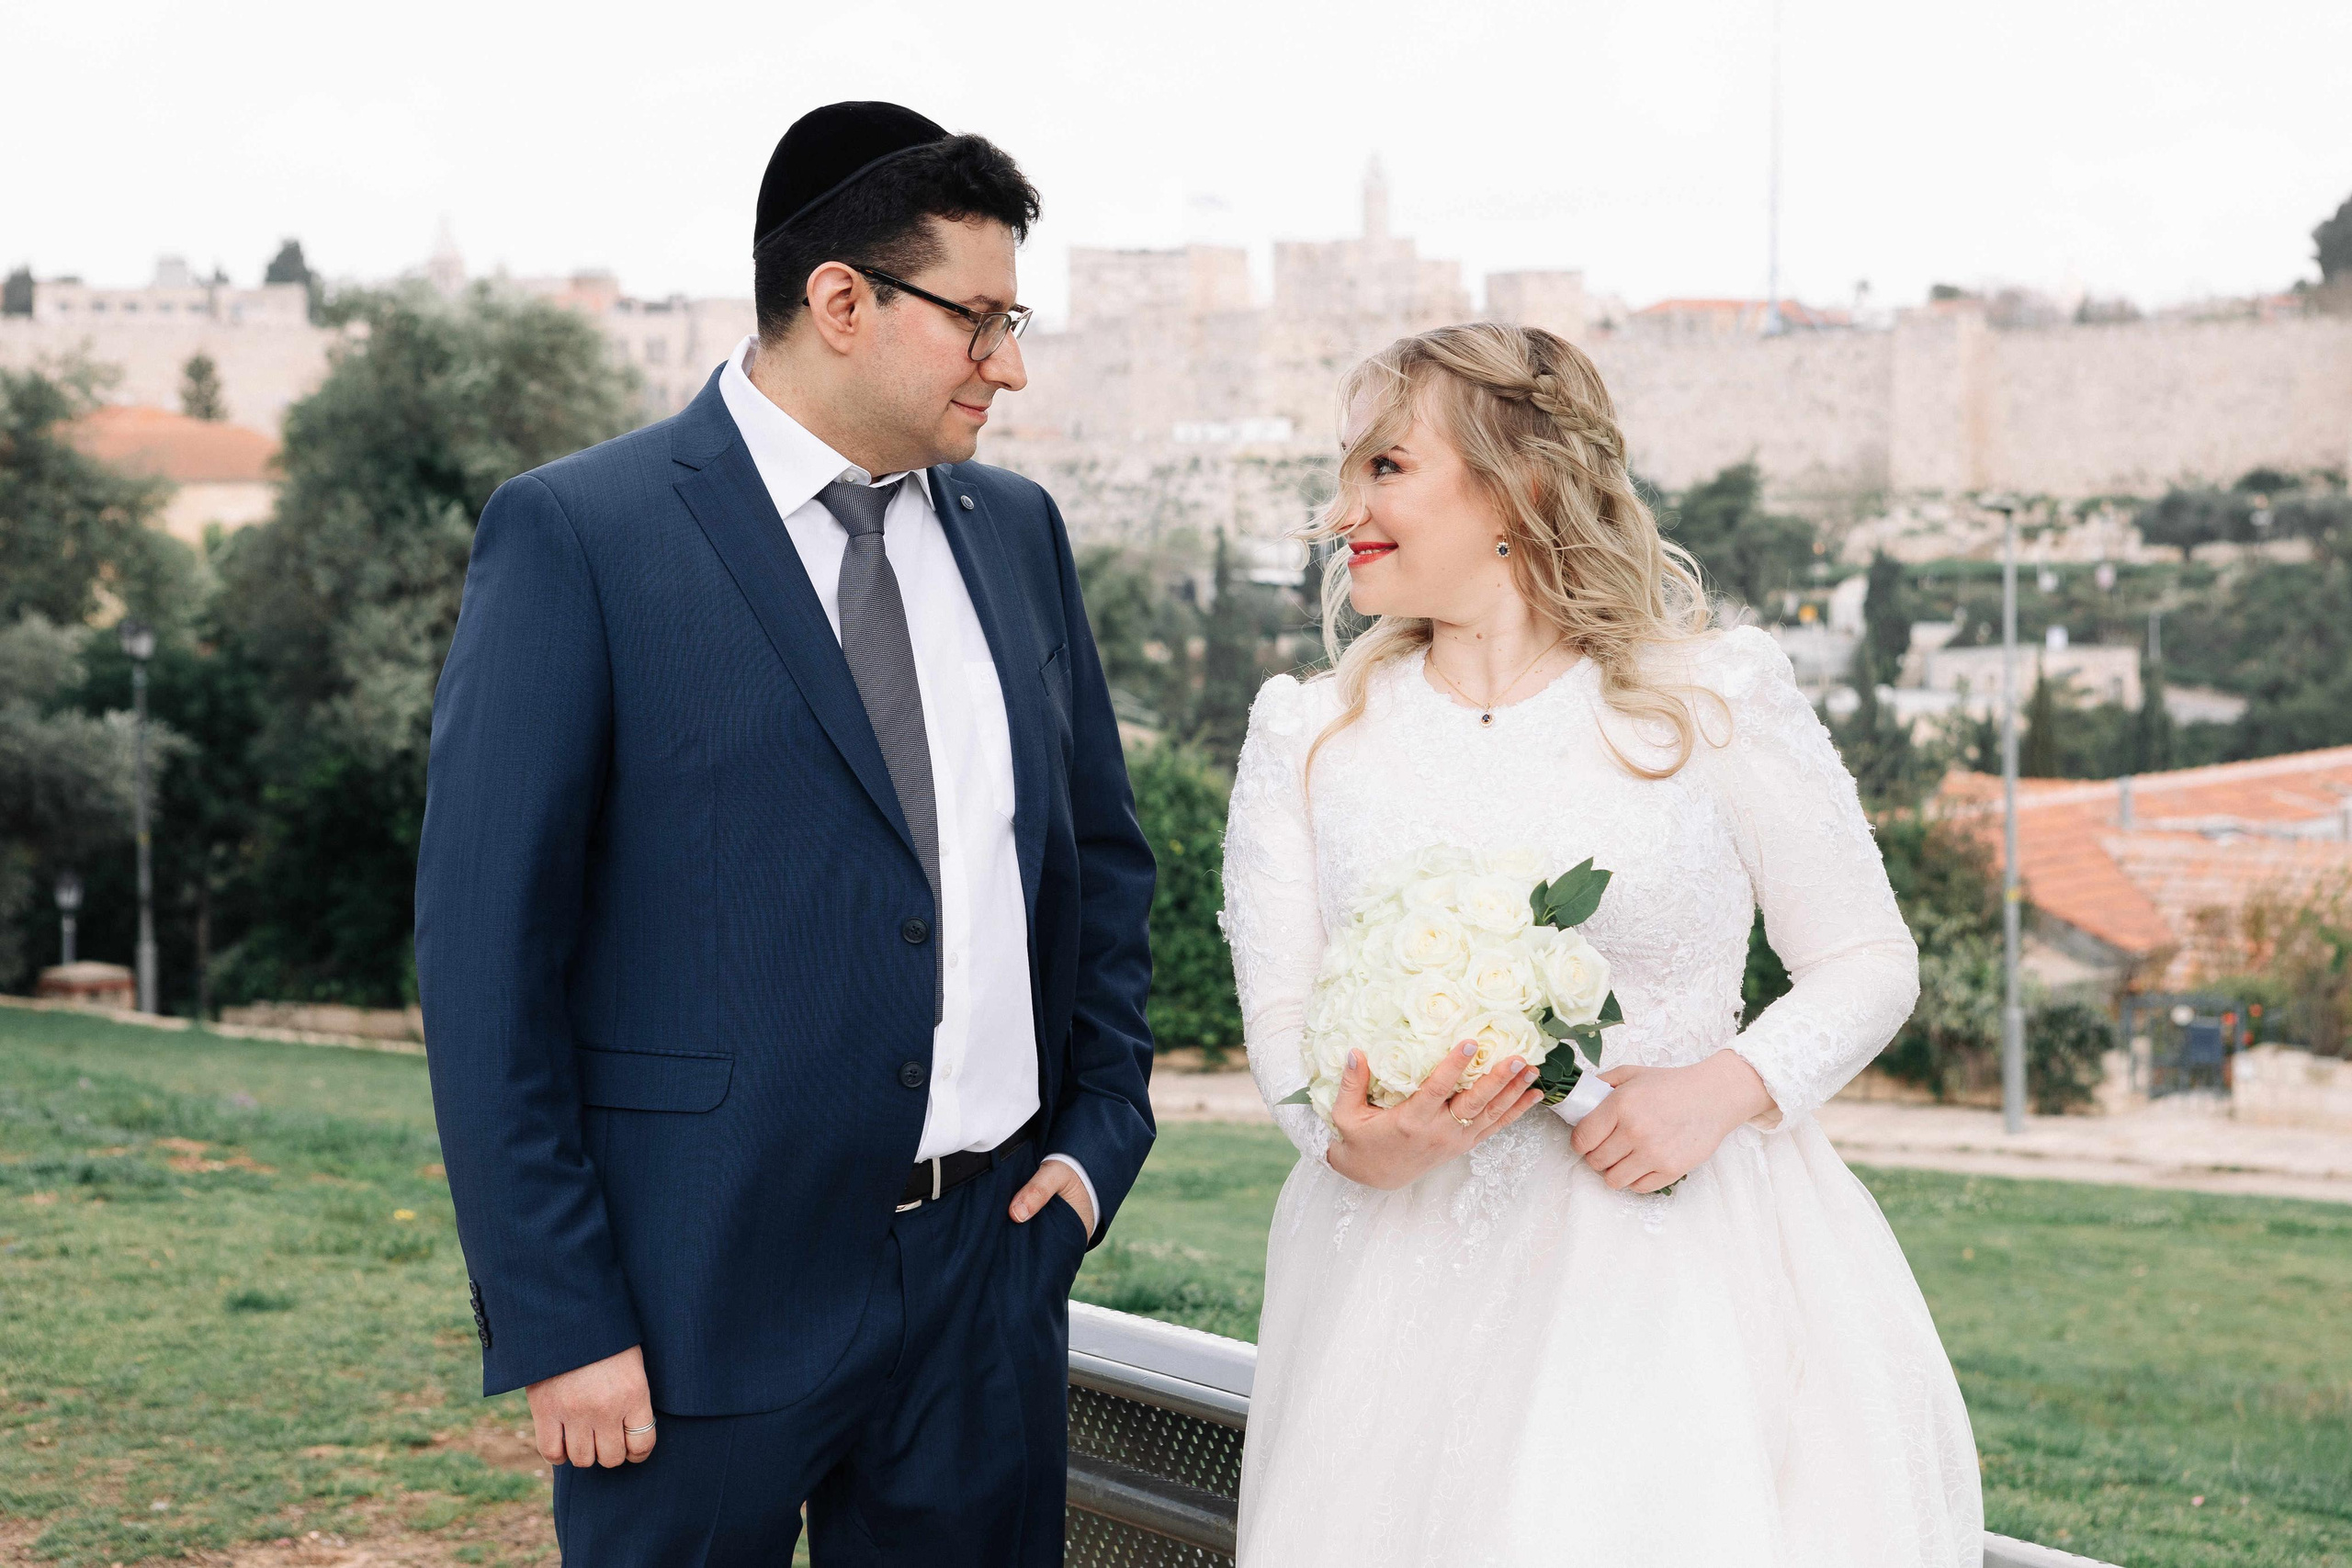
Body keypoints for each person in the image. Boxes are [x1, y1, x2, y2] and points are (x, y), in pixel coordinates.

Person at [413, 101, 1156, 1566]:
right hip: (690, 1307)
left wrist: (1095, 1142)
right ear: (839, 300)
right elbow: (487, 958)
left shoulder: (1018, 533)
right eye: (981, 321)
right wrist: (562, 1318)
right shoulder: (582, 535)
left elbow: (1098, 864)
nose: (1009, 365)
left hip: (988, 1280)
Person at [1222, 322, 1982, 1565]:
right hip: (1394, 1297)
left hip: (1673, 1279)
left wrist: (1725, 1090)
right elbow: (1285, 1038)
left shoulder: (1708, 696)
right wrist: (1351, 1141)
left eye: (1384, 469)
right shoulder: (1309, 738)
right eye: (1347, 471)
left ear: (1516, 482)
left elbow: (1866, 956)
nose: (1339, 510)